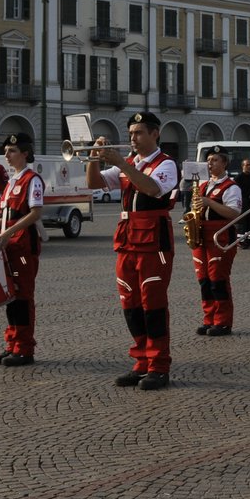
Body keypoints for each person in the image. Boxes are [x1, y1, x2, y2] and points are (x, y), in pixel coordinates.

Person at [86, 112, 181, 391]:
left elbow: (152, 189)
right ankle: (141, 361)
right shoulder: (130, 164)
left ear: (155, 134)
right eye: (130, 133)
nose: (133, 139)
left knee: (153, 304)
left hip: (154, 241)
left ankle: (159, 366)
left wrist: (122, 165)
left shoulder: (166, 164)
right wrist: (94, 156)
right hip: (127, 240)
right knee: (131, 303)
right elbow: (94, 183)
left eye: (139, 133)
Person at [0, 133, 44, 366]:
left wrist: (6, 234)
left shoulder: (31, 180)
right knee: (11, 297)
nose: (6, 155)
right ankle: (12, 344)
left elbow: (35, 214)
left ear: (25, 153)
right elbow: (5, 218)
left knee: (23, 298)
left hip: (24, 246)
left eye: (12, 151)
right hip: (10, 246)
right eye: (5, 151)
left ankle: (25, 349)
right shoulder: (11, 182)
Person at [191, 145, 243, 336]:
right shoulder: (204, 185)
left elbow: (234, 213)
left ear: (225, 163)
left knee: (218, 281)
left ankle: (222, 322)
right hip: (201, 237)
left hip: (220, 237)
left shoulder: (232, 187)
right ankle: (209, 319)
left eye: (214, 160)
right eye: (209, 160)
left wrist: (209, 202)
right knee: (204, 282)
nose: (210, 163)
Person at [232, 157, 250, 249]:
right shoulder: (238, 178)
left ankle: (248, 241)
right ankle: (240, 242)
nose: (249, 167)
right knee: (241, 223)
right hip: (242, 201)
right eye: (247, 165)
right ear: (242, 166)